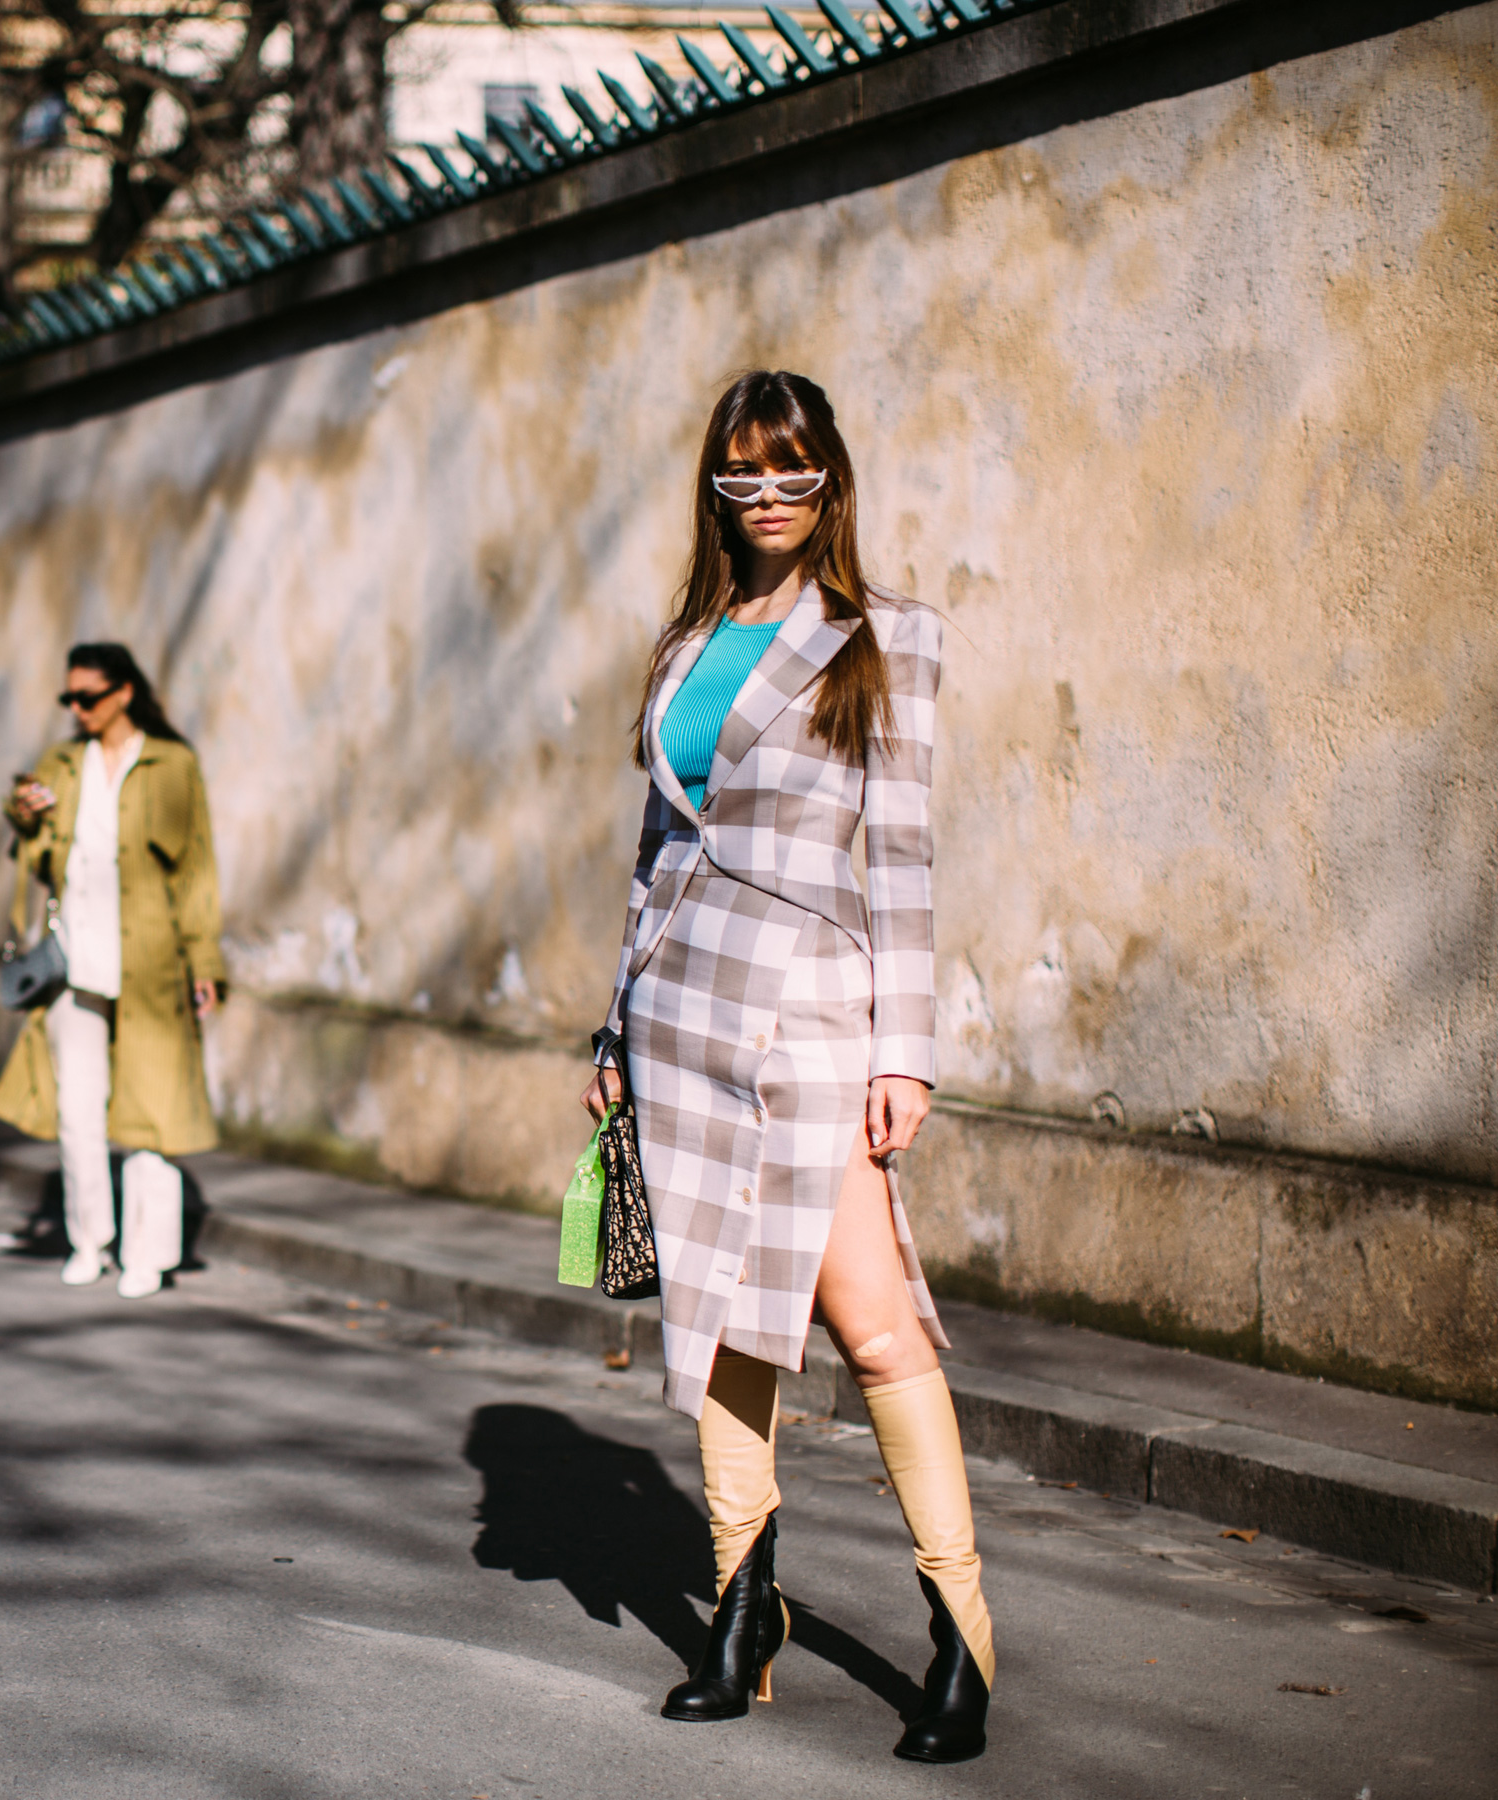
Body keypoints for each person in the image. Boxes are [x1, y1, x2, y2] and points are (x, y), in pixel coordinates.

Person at [589, 371, 987, 1761]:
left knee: (872, 1321)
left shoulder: (886, 639)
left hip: (814, 1015)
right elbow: (655, 859)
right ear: (715, 490)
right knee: (714, 1324)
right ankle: (743, 1609)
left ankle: (960, 1632)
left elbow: (906, 862)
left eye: (792, 473)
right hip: (682, 1021)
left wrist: (908, 1053)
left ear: (831, 481)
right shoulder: (683, 645)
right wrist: (613, 1034)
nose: (767, 499)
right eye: (741, 478)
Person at [0, 643, 224, 1299]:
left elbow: (197, 869)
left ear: (124, 692)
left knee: (152, 1112)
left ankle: (149, 1252)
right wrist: (25, 817)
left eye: (87, 696)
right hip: (74, 962)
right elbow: (35, 858)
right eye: (69, 698)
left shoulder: (173, 764)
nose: (77, 709)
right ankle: (89, 1237)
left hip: (150, 961)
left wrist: (205, 959)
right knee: (77, 1108)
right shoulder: (61, 765)